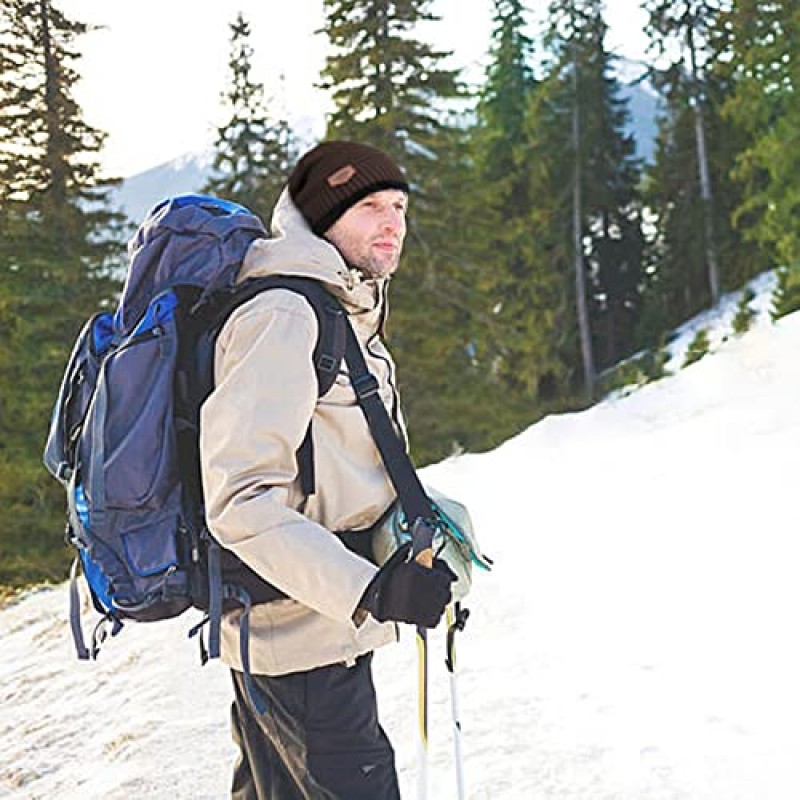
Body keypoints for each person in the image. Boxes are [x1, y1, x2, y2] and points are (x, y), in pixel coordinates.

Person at [199, 141, 457, 800]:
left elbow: (338, 470)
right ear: (321, 217)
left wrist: (410, 547)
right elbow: (240, 500)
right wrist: (371, 591)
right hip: (297, 641)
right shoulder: (284, 314)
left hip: (312, 630)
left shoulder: (338, 306)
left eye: (399, 205)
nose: (392, 222)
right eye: (369, 205)